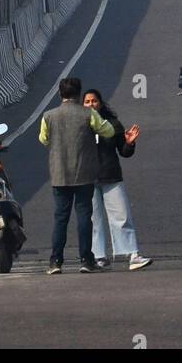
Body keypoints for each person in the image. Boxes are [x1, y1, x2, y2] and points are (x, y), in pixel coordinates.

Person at [39, 76, 115, 274]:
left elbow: (44, 139)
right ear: (79, 93)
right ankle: (85, 259)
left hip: (59, 174)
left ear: (60, 94)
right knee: (84, 216)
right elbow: (107, 131)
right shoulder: (88, 114)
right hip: (84, 173)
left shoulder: (49, 115)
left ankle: (56, 261)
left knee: (60, 218)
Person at [82, 90, 151, 272]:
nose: (91, 104)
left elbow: (125, 152)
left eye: (94, 101)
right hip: (87, 179)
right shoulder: (80, 127)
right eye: (87, 101)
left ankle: (132, 254)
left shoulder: (112, 124)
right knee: (93, 220)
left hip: (111, 176)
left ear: (101, 103)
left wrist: (129, 142)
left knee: (122, 216)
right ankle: (98, 257)